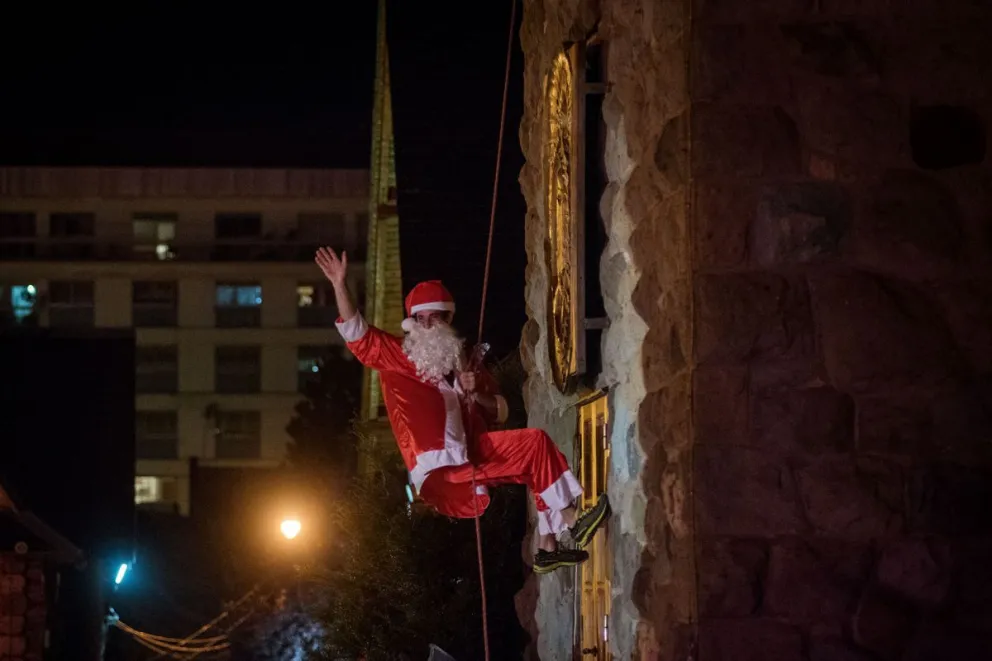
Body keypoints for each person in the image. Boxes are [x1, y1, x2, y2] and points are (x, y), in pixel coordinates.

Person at [315, 247, 610, 574]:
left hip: (470, 453)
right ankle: (571, 519)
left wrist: (475, 395)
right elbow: (358, 334)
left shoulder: (467, 363)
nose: (426, 324)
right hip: (441, 462)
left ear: (448, 319)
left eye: (434, 317)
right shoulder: (399, 356)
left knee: (532, 461)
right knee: (535, 444)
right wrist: (340, 284)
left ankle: (546, 548)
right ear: (411, 323)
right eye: (419, 319)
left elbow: (500, 411)